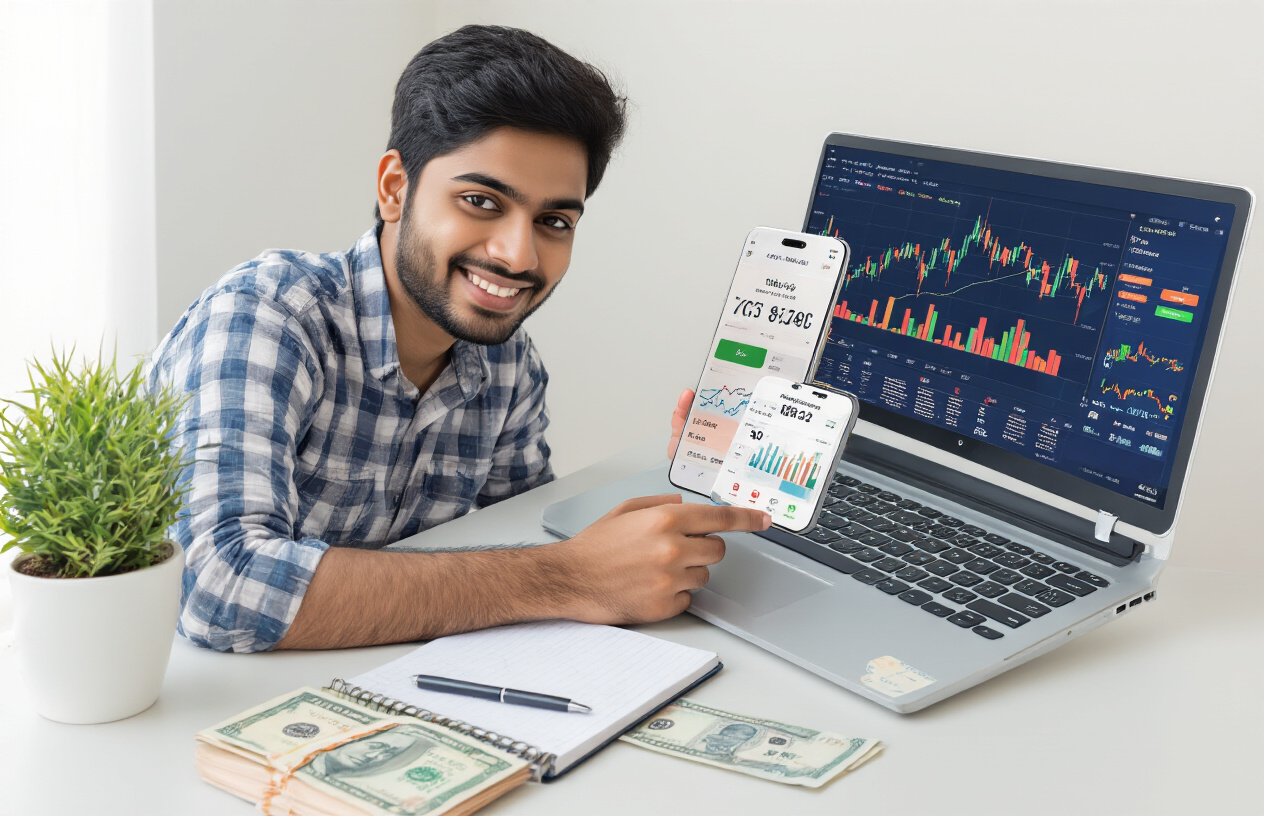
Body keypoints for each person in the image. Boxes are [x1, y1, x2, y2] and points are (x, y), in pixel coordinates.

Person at [147, 25, 769, 654]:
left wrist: (686, 491)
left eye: (554, 220)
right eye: (481, 200)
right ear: (395, 188)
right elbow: (217, 585)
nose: (518, 255)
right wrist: (571, 576)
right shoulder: (268, 317)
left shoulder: (508, 365)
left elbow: (529, 546)